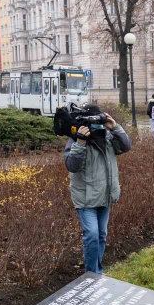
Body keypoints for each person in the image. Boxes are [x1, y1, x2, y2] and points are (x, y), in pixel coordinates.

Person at [64, 104, 132, 273]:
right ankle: (92, 274)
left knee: (101, 235)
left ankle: (96, 271)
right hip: (86, 198)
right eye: (92, 120)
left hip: (105, 195)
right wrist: (80, 143)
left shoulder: (108, 137)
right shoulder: (75, 139)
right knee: (92, 236)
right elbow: (72, 166)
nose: (96, 125)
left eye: (98, 119)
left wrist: (115, 127)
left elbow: (126, 146)